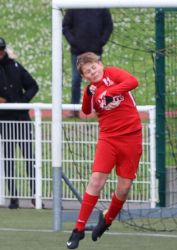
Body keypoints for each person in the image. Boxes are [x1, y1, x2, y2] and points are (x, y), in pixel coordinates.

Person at [66, 52, 142, 249]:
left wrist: (111, 92)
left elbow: (133, 81)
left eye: (94, 67)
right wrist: (90, 93)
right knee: (96, 180)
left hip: (132, 137)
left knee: (124, 188)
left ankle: (107, 219)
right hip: (108, 139)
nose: (93, 72)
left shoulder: (112, 74)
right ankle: (78, 229)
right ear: (84, 77)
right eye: (87, 72)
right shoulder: (90, 89)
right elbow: (86, 110)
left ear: (100, 64)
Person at [0, 37, 39, 209]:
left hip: (22, 119)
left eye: (1, 49)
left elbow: (33, 85)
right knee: (8, 159)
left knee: (30, 158)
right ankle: (13, 198)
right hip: (5, 121)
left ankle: (35, 196)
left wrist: (21, 101)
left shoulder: (15, 66)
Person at [62, 8, 113, 117]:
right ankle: (74, 110)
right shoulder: (73, 7)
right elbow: (65, 27)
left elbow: (109, 26)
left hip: (95, 52)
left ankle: (99, 109)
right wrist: (74, 42)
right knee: (76, 80)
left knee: (98, 80)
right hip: (77, 52)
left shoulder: (101, 7)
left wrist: (101, 42)